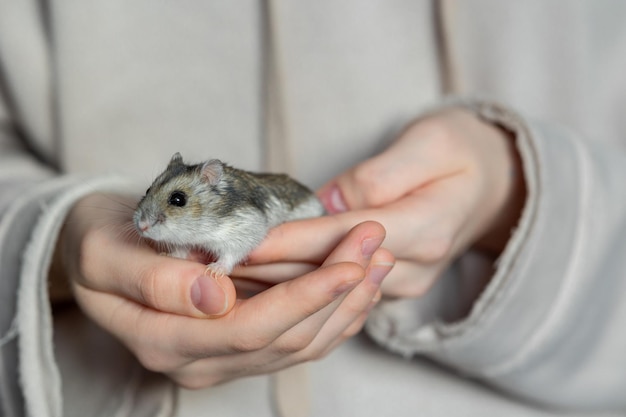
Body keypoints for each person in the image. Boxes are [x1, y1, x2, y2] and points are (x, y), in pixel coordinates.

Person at [1, 1, 626, 416]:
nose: (145, 220)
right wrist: (57, 237)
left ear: (211, 189)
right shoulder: (197, 205)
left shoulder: (234, 211)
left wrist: (514, 196)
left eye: (172, 204)